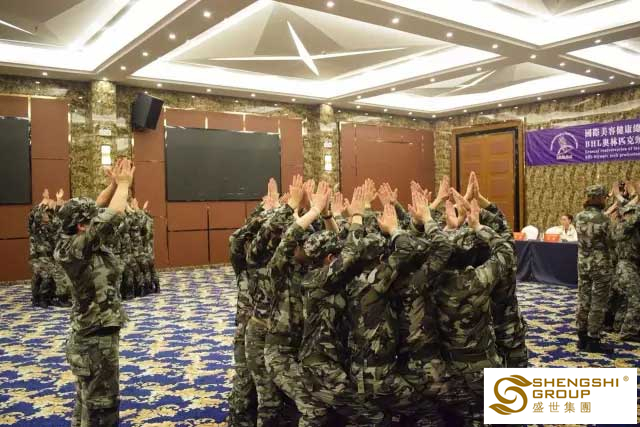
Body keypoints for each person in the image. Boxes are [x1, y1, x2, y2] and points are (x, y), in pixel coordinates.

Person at [54, 158, 134, 427]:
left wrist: (112, 185)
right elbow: (111, 216)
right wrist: (124, 185)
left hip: (88, 335)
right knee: (101, 407)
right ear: (81, 226)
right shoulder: (78, 247)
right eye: (90, 219)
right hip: (95, 339)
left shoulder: (72, 239)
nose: (95, 217)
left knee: (86, 402)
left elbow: (98, 208)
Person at [575, 184, 615, 353]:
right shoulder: (604, 219)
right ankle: (593, 338)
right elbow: (612, 241)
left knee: (583, 298)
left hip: (583, 263)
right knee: (598, 301)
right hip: (600, 264)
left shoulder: (578, 216)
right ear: (599, 198)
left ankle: (582, 335)